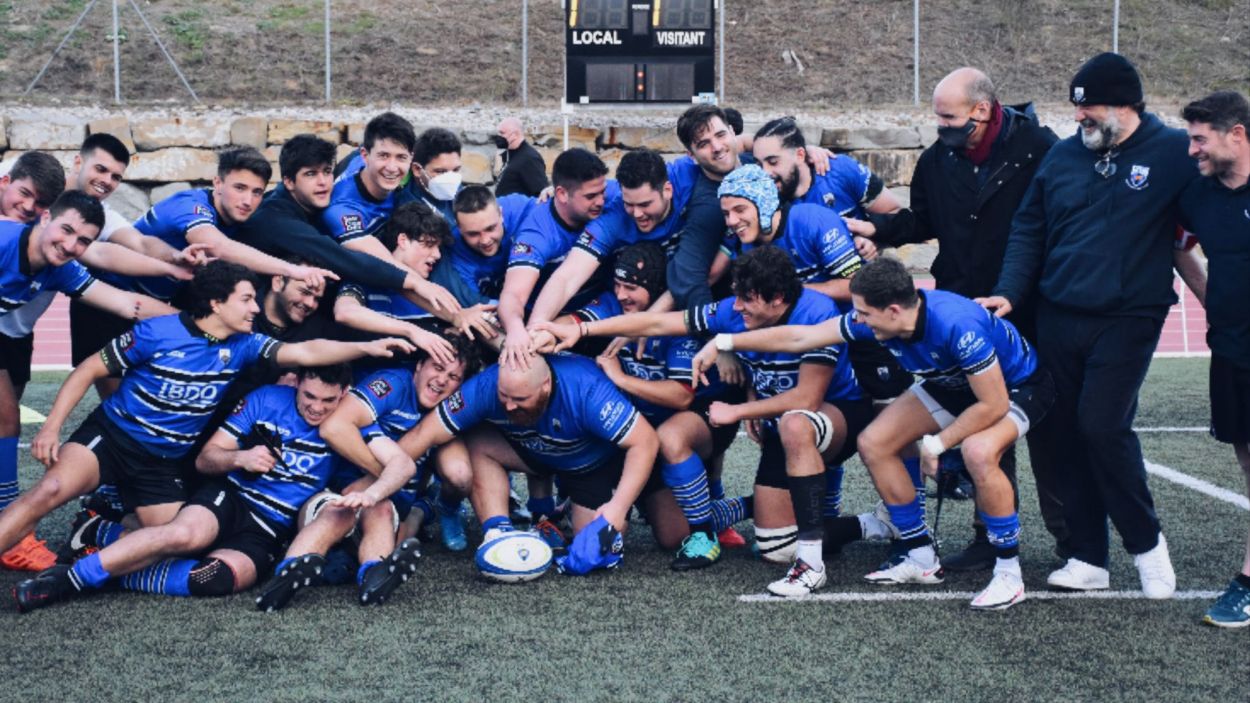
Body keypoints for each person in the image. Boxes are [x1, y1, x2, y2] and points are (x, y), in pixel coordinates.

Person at [691, 257, 1054, 610]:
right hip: (951, 383)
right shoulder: (881, 315)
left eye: (863, 312)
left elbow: (991, 404)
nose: (858, 320)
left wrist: (939, 443)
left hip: (1015, 386)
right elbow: (804, 336)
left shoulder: (958, 325)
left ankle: (1009, 573)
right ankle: (920, 554)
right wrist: (728, 342)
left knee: (977, 451)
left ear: (894, 311)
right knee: (874, 442)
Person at [0, 261, 414, 567]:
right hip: (115, 437)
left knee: (179, 541)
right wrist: (52, 428)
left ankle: (98, 531)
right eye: (247, 299)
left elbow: (306, 353)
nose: (255, 308)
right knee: (48, 492)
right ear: (217, 302)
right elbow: (90, 367)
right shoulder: (157, 332)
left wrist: (367, 347)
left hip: (162, 463)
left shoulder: (246, 344)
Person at [981, 52, 1199, 599]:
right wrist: (1010, 291)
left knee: (1103, 426)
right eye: (1076, 109)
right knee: (1058, 434)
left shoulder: (1174, 152)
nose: (1078, 119)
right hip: (1059, 314)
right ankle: (1087, 558)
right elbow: (1029, 229)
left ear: (1126, 106)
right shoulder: (1062, 158)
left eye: (1090, 109)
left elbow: (1217, 204)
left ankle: (1147, 546)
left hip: (1129, 316)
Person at [535, 246, 875, 595]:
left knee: (795, 423)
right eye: (736, 298)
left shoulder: (816, 311)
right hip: (781, 422)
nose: (736, 306)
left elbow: (807, 399)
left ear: (777, 299)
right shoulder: (734, 312)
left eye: (747, 299)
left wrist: (739, 411)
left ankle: (811, 562)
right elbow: (657, 322)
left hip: (835, 416)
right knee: (775, 549)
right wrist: (583, 332)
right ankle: (868, 525)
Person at [856, 67, 1065, 572]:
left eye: (947, 117)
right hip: (961, 300)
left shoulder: (1040, 147)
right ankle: (983, 536)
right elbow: (921, 221)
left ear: (982, 110)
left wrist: (1024, 290)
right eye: (936, 117)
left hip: (1028, 308)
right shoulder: (937, 158)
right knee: (980, 435)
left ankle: (1073, 542)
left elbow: (1050, 224)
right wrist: (878, 229)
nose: (940, 126)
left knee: (1051, 432)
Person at [12, 365, 375, 611]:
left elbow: (374, 470)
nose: (316, 407)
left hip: (271, 527)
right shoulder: (267, 398)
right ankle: (72, 580)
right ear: (297, 382)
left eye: (328, 400)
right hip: (232, 498)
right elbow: (206, 459)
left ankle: (104, 546)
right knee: (186, 535)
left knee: (216, 578)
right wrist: (241, 459)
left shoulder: (350, 423)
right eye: (309, 396)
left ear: (345, 393)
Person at [0, 191, 181, 570]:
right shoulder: (4, 241)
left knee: (6, 417)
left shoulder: (61, 267)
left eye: (82, 240)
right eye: (65, 230)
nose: (70, 245)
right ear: (45, 218)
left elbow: (124, 303)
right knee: (5, 416)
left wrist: (192, 324)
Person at [544, 242, 745, 569]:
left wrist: (622, 379)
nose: (622, 295)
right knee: (670, 535)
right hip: (639, 434)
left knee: (668, 437)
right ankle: (564, 501)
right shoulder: (613, 304)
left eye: (632, 288)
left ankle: (728, 518)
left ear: (654, 290)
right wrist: (535, 334)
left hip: (695, 425)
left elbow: (682, 396)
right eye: (618, 285)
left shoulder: (678, 318)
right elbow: (572, 321)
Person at [394, 353, 688, 576]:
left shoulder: (586, 390)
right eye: (504, 396)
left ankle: (723, 508)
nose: (508, 406)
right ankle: (499, 533)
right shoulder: (486, 386)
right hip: (549, 457)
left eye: (520, 399)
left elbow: (645, 442)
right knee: (476, 440)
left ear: (545, 385)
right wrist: (375, 490)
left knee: (674, 536)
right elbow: (424, 434)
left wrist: (618, 508)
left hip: (605, 459)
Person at [1174, 90, 1250, 627]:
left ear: (1237, 135)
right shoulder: (1198, 196)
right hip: (1231, 347)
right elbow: (1179, 247)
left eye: (1201, 139)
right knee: (1246, 456)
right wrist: (1210, 299)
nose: (1193, 150)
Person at [233, 134, 443, 306]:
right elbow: (340, 257)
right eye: (310, 174)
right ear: (288, 181)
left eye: (326, 172)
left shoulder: (314, 199)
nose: (323, 182)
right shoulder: (276, 218)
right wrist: (414, 282)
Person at [528, 149, 700, 326]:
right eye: (629, 204)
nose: (638, 214)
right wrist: (536, 325)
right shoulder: (612, 217)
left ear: (668, 190)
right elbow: (567, 278)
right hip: (633, 305)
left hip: (689, 297)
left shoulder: (686, 174)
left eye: (645, 204)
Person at [497, 147, 616, 369]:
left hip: (599, 310)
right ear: (561, 194)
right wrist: (515, 331)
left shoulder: (610, 196)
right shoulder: (537, 232)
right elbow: (513, 294)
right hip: (547, 321)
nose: (601, 201)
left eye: (603, 192)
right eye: (591, 196)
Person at [333, 202, 461, 363]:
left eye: (439, 247)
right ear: (403, 240)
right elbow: (345, 313)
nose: (437, 255)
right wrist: (412, 331)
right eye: (429, 244)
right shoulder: (365, 277)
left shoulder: (435, 293)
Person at [397, 127, 463, 222]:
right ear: (417, 169)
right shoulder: (407, 210)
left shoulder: (458, 190)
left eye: (456, 170)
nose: (450, 179)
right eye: (441, 172)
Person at [494, 117, 549, 198]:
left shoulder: (530, 159)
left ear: (515, 135)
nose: (499, 136)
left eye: (502, 133)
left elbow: (541, 194)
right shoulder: (511, 154)